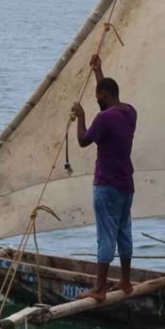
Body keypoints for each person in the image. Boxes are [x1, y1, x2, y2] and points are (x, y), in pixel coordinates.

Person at [69, 54, 137, 301]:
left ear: (105, 97)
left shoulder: (103, 119)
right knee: (124, 231)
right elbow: (108, 101)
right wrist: (98, 72)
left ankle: (99, 289)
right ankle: (126, 281)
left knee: (106, 235)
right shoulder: (130, 112)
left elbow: (83, 140)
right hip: (126, 185)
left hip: (107, 185)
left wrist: (81, 116)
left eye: (98, 97)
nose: (97, 100)